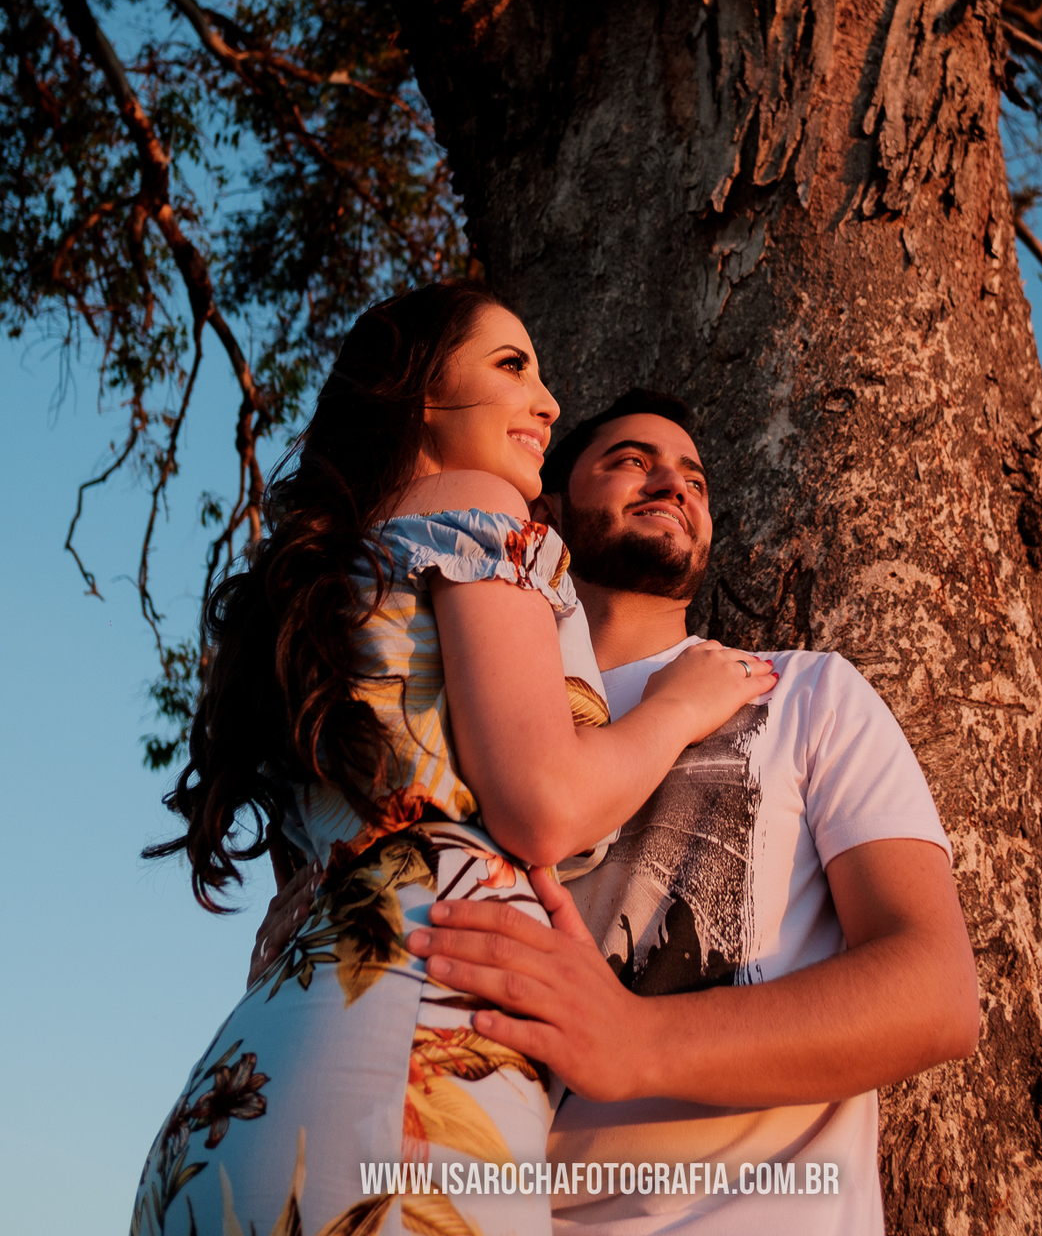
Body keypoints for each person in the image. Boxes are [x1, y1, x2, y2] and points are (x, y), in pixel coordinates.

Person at [131, 288, 776, 1236]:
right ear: (422, 393)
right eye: (513, 366)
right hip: (402, 1083)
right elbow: (544, 804)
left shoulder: (331, 579)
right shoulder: (479, 509)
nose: (548, 404)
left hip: (243, 1096)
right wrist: (679, 707)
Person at [259, 389, 978, 1234]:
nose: (674, 485)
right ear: (547, 514)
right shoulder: (458, 727)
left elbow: (936, 992)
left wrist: (637, 1039)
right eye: (632, 461)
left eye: (695, 481)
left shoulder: (805, 692)